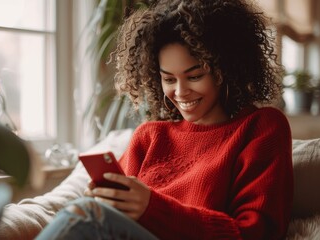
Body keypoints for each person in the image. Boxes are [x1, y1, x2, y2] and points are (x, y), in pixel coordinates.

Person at [36, 0, 293, 239]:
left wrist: (152, 208)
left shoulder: (262, 127)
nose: (180, 93)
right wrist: (105, 197)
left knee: (87, 215)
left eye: (194, 77)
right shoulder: (149, 136)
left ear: (226, 70)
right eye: (169, 79)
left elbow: (257, 233)